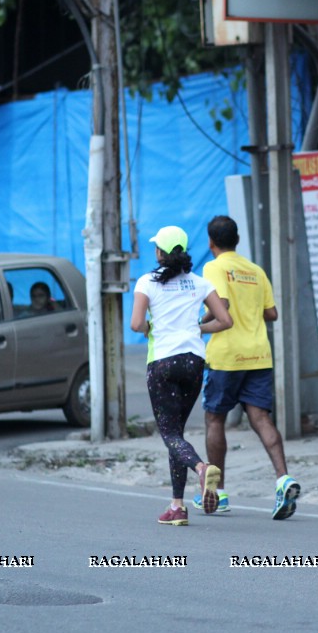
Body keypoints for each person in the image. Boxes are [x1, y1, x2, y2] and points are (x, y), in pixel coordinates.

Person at [196, 215, 301, 520]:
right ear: (237, 240)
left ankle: (217, 492)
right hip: (258, 355)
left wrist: (196, 324)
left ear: (211, 242)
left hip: (227, 355)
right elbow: (272, 313)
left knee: (214, 419)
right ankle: (283, 479)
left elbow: (222, 307)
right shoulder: (255, 271)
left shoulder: (213, 267)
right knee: (261, 418)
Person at [130, 225, 233, 525]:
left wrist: (154, 328)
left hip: (162, 362)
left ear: (160, 252)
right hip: (193, 363)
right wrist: (197, 329)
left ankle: (202, 469)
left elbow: (137, 324)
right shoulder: (198, 283)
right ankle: (177, 506)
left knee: (170, 435)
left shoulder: (147, 282)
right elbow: (225, 320)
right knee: (177, 433)